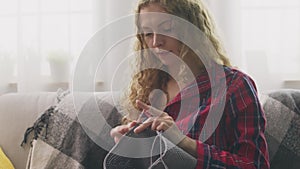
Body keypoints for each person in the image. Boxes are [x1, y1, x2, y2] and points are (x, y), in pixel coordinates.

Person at [110, 0, 270, 168]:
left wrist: (184, 142)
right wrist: (126, 145)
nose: (156, 42)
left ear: (192, 30)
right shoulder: (148, 87)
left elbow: (254, 165)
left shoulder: (235, 86)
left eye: (167, 29)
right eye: (148, 34)